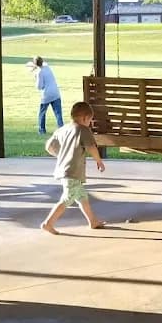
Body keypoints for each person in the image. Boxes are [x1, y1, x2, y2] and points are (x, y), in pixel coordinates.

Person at [41, 101, 106, 234]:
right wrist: (99, 161)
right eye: (90, 120)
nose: (89, 123)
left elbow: (49, 146)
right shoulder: (83, 130)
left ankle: (93, 221)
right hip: (72, 171)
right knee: (67, 198)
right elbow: (91, 147)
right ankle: (48, 223)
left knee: (82, 196)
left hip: (64, 169)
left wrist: (62, 155)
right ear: (84, 118)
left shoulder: (63, 129)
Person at [32, 56, 63, 135]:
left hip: (46, 95)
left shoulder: (39, 72)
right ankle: (62, 129)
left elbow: (39, 86)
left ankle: (42, 130)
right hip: (56, 92)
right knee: (58, 113)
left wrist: (35, 76)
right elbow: (42, 65)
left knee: (42, 113)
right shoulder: (47, 67)